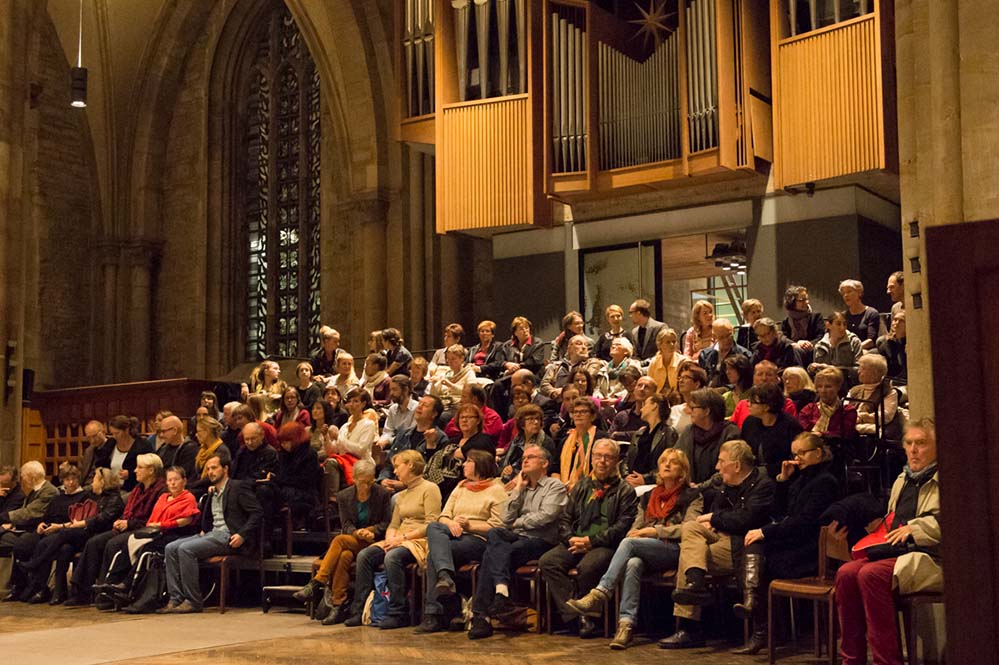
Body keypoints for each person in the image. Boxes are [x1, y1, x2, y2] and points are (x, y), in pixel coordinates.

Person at [568, 449, 703, 649]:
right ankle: (626, 625)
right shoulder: (649, 496)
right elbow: (636, 526)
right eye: (663, 461)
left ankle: (601, 593)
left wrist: (654, 531)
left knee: (629, 544)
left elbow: (690, 529)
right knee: (633, 562)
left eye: (673, 462)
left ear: (683, 469)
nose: (666, 465)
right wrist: (636, 532)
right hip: (646, 549)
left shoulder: (692, 495)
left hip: (678, 549)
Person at [835, 418, 940, 665]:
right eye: (909, 443)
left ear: (937, 446)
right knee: (846, 573)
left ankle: (887, 661)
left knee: (871, 575)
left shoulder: (946, 480)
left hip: (931, 556)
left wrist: (915, 528)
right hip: (899, 552)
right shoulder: (902, 479)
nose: (913, 450)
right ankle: (851, 660)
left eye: (922, 443)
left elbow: (954, 523)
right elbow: (893, 520)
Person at [732, 432, 840, 654]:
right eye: (794, 453)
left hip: (811, 550)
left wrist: (766, 531)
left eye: (802, 453)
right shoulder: (800, 478)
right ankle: (757, 616)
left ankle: (760, 624)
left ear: (817, 453)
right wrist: (783, 481)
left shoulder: (825, 481)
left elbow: (804, 522)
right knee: (753, 545)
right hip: (793, 542)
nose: (796, 458)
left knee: (762, 558)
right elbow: (779, 512)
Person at [662, 440, 776, 649]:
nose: (717, 466)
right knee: (690, 528)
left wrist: (715, 519)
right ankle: (695, 584)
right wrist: (716, 521)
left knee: (688, 554)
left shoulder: (762, 484)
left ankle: (688, 628)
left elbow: (745, 520)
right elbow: (720, 514)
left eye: (721, 461)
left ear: (737, 466)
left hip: (742, 544)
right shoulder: (727, 484)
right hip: (722, 537)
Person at [539, 439, 639, 637]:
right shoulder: (582, 486)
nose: (602, 461)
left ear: (616, 461)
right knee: (547, 562)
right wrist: (570, 539)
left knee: (589, 566)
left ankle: (588, 618)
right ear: (591, 459)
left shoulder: (625, 491)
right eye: (597, 456)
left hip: (605, 544)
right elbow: (565, 518)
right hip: (576, 541)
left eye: (607, 457)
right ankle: (579, 616)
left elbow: (621, 528)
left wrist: (591, 542)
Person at [469, 445, 568, 640]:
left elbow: (546, 517)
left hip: (541, 540)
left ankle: (481, 616)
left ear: (545, 463)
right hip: (516, 535)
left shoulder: (554, 486)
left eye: (531, 457)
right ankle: (501, 591)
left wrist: (518, 522)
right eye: (523, 457)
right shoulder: (520, 486)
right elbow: (505, 519)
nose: (525, 460)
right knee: (496, 534)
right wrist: (518, 490)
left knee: (492, 555)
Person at [344, 450, 442, 629]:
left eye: (397, 466)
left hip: (419, 540)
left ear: (410, 465)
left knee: (392, 557)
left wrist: (401, 539)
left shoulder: (430, 488)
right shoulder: (402, 495)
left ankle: (398, 612)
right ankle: (359, 610)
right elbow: (393, 524)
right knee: (365, 555)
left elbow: (431, 524)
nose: (395, 472)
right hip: (398, 538)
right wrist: (390, 539)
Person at [417, 449, 508, 632]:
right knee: (434, 527)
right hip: (452, 533)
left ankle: (434, 613)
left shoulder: (497, 490)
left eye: (468, 461)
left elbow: (499, 527)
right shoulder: (460, 487)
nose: (463, 464)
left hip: (478, 538)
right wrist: (451, 523)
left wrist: (469, 526)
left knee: (433, 555)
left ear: (480, 465)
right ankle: (445, 580)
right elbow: (443, 516)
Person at [159, 452, 262, 613]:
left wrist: (242, 534)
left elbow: (257, 513)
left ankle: (193, 600)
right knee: (170, 548)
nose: (210, 472)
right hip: (212, 533)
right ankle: (175, 598)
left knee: (185, 549)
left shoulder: (237, 487)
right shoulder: (212, 491)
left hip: (229, 536)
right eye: (208, 469)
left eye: (214, 468)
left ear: (225, 469)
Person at [294, 460, 392, 625]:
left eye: (370, 481)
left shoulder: (382, 494)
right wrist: (356, 532)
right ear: (354, 479)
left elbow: (386, 522)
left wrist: (370, 530)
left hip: (373, 542)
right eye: (362, 482)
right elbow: (346, 524)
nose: (366, 486)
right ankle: (338, 605)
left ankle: (317, 582)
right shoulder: (344, 496)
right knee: (344, 556)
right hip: (352, 540)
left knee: (339, 540)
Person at [65, 454, 166, 606]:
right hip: (129, 526)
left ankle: (108, 592)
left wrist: (129, 523)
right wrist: (122, 520)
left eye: (139, 467)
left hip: (144, 530)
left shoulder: (160, 490)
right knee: (94, 542)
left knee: (113, 544)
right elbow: (128, 511)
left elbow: (153, 518)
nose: (135, 470)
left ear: (151, 470)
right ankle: (82, 592)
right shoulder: (138, 489)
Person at [94, 466, 200, 603]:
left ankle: (127, 585)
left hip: (176, 534)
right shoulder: (163, 497)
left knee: (147, 548)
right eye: (170, 480)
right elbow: (153, 518)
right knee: (128, 544)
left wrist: (161, 525)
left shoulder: (188, 498)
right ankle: (111, 583)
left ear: (184, 481)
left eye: (176, 480)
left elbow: (186, 520)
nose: (173, 483)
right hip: (156, 532)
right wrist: (149, 528)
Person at [0, 461, 60, 599]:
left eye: (24, 476)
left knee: (19, 543)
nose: (22, 479)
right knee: (9, 539)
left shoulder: (49, 491)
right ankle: (18, 586)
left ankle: (24, 586)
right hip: (29, 528)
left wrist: (5, 517)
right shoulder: (34, 491)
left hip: (43, 529)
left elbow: (31, 512)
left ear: (32, 476)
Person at [426, 404, 496, 500]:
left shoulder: (484, 440)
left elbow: (463, 454)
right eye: (462, 417)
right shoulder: (452, 441)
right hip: (442, 485)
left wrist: (457, 453)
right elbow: (435, 461)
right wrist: (431, 444)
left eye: (469, 417)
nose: (464, 420)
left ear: (478, 421)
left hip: (467, 486)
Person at [379, 395, 447, 492]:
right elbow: (389, 464)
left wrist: (406, 484)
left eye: (425, 405)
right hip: (393, 482)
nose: (419, 407)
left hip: (417, 489)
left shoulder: (440, 438)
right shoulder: (404, 433)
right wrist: (383, 480)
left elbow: (432, 472)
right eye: (420, 403)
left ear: (434, 414)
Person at [675, 389, 742, 484]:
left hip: (718, 492)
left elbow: (727, 471)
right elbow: (676, 459)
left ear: (706, 411)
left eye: (693, 408)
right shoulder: (689, 431)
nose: (689, 412)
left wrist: (699, 488)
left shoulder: (730, 433)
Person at [740, 383, 803, 479]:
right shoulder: (750, 422)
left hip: (781, 477)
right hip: (752, 475)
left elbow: (793, 459)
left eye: (753, 402)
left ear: (767, 406)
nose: (748, 405)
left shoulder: (790, 426)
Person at [325, 387, 377, 491]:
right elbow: (335, 450)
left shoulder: (368, 424)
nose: (352, 405)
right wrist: (326, 436)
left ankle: (333, 498)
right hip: (345, 460)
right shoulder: (345, 426)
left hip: (362, 462)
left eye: (356, 401)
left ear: (363, 404)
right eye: (350, 401)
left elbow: (360, 449)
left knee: (332, 463)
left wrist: (339, 438)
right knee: (328, 461)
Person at [554, 398, 608, 491]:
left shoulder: (601, 439)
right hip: (563, 489)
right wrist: (558, 484)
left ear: (593, 416)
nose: (578, 414)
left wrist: (578, 488)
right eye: (575, 412)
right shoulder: (565, 439)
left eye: (583, 412)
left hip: (591, 489)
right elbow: (555, 468)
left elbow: (602, 468)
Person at [271, 422, 320, 524]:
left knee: (269, 495)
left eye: (286, 442)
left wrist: (278, 479)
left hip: (304, 494)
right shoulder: (283, 454)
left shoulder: (309, 454)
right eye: (282, 442)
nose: (283, 445)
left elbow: (305, 481)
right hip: (287, 491)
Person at [625, 394, 678, 487]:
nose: (641, 409)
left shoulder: (669, 433)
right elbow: (627, 459)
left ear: (654, 406)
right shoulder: (639, 433)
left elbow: (669, 463)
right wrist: (626, 476)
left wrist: (645, 479)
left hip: (653, 484)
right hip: (631, 481)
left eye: (645, 404)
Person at [498, 404, 557, 487]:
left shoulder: (546, 442)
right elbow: (509, 460)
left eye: (538, 419)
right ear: (522, 424)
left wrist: (517, 475)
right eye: (531, 419)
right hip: (510, 477)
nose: (536, 422)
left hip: (533, 482)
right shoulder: (518, 439)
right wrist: (505, 469)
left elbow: (545, 469)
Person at [847, 353, 902, 438]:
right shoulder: (854, 390)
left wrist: (865, 417)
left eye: (862, 369)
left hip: (871, 429)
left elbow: (886, 416)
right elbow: (845, 408)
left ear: (874, 372)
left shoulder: (889, 392)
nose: (858, 371)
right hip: (851, 425)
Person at [730, 360, 799, 428]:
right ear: (753, 378)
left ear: (777, 379)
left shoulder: (787, 404)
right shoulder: (742, 405)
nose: (764, 378)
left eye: (769, 375)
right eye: (760, 374)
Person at [95, 415, 154, 492]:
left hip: (133, 489)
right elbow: (100, 463)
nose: (114, 436)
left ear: (126, 430)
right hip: (110, 488)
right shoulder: (111, 443)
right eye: (112, 433)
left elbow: (149, 469)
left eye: (117, 433)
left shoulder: (142, 445)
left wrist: (130, 474)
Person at [798, 367, 858, 439]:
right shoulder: (809, 409)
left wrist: (822, 435)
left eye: (828, 386)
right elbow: (802, 432)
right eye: (820, 386)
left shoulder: (848, 411)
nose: (823, 390)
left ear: (838, 387)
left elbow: (844, 434)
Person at [540, 334, 604, 401]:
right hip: (556, 401)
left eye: (586, 345)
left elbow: (586, 381)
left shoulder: (592, 363)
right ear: (569, 348)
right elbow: (544, 384)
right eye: (579, 344)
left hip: (580, 401)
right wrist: (553, 392)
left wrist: (564, 391)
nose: (584, 347)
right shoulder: (556, 366)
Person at [698, 318, 750, 387]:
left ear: (733, 331)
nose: (726, 340)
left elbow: (746, 382)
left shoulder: (744, 354)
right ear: (714, 337)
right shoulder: (705, 355)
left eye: (729, 335)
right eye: (722, 337)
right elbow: (702, 380)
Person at [809, 311, 863, 375]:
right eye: (838, 324)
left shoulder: (854, 342)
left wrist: (834, 369)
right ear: (828, 325)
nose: (842, 328)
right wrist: (812, 369)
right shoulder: (820, 345)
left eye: (844, 324)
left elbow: (859, 369)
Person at [780, 285, 824, 363]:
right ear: (792, 302)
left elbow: (821, 336)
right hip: (793, 351)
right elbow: (783, 338)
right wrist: (796, 344)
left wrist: (808, 344)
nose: (806, 302)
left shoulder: (816, 317)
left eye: (806, 298)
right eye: (802, 300)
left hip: (812, 351)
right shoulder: (786, 321)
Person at [376, 376, 418, 453]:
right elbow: (388, 431)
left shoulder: (416, 409)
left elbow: (409, 436)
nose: (391, 393)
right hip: (392, 447)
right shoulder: (393, 409)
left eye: (394, 390)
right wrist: (382, 441)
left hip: (407, 449)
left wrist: (388, 441)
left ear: (405, 390)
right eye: (390, 390)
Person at [839, 279, 883, 350]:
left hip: (866, 351)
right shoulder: (843, 316)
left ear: (859, 293)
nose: (846, 295)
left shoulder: (871, 313)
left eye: (849, 291)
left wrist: (854, 350)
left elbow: (871, 341)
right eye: (843, 293)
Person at [428, 343, 474, 411]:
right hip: (442, 406)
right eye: (448, 359)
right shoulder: (446, 373)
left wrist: (450, 385)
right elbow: (433, 396)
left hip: (458, 407)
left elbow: (471, 393)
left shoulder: (468, 373)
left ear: (461, 359)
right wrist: (433, 384)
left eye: (453, 359)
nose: (450, 362)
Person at [668, 362, 709, 433]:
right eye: (680, 378)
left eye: (686, 378)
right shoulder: (674, 410)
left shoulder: (706, 411)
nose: (680, 381)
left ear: (697, 384)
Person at [154, 415, 198, 480]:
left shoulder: (190, 449)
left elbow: (181, 476)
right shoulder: (163, 448)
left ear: (175, 430)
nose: (161, 435)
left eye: (164, 431)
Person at [647, 327, 686, 395]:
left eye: (674, 342)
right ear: (659, 345)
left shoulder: (683, 361)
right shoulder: (654, 362)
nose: (672, 344)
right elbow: (649, 385)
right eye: (668, 342)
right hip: (657, 399)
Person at [629, 299, 666, 364]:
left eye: (631, 313)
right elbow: (636, 354)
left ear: (638, 313)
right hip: (640, 368)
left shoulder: (660, 327)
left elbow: (663, 351)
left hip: (656, 366)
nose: (630, 316)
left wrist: (644, 363)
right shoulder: (634, 332)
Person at [878, 310, 907, 381]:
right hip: (891, 380)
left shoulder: (914, 343)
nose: (896, 323)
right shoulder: (884, 342)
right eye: (895, 320)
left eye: (901, 321)